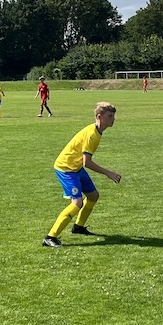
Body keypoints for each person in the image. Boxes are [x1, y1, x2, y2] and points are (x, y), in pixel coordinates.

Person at [44, 102, 122, 247]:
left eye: (113, 116)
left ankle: (78, 227)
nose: (113, 119)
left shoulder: (97, 131)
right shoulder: (92, 135)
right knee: (77, 203)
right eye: (110, 116)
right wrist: (108, 173)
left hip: (76, 167)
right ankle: (50, 237)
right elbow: (87, 163)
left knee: (93, 196)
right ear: (99, 117)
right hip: (66, 168)